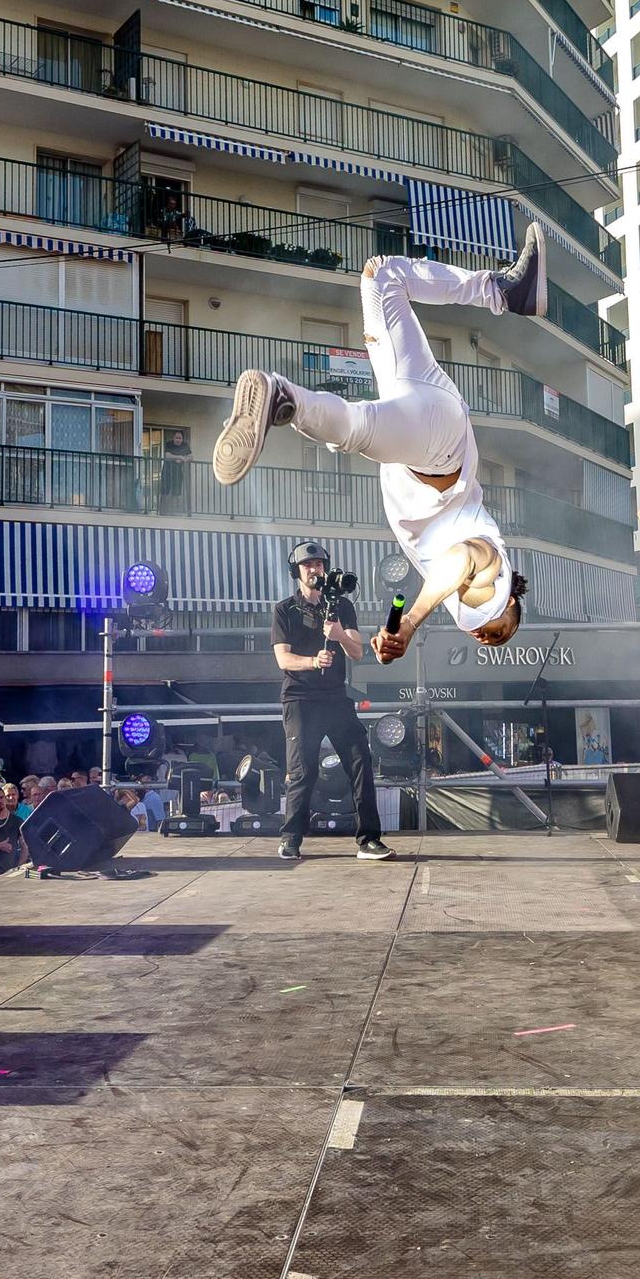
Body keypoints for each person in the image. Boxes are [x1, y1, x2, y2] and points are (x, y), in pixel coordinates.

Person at [212, 233, 548, 658]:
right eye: (501, 633)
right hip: (434, 453)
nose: (487, 637)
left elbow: (447, 572)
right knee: (358, 428)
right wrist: (408, 623)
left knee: (381, 275)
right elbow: (463, 557)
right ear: (511, 603)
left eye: (488, 640)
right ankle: (284, 399)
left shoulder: (456, 596)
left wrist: (393, 630)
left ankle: (504, 291)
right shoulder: (491, 591)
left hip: (429, 410)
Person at [268, 541, 392, 861]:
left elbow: (357, 651)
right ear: (296, 571)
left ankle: (368, 839)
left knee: (360, 761)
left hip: (336, 698)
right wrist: (312, 661)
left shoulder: (341, 606)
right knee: (302, 770)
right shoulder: (285, 610)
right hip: (300, 699)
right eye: (308, 565)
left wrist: (338, 635)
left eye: (319, 564)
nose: (315, 569)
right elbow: (283, 659)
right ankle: (291, 837)